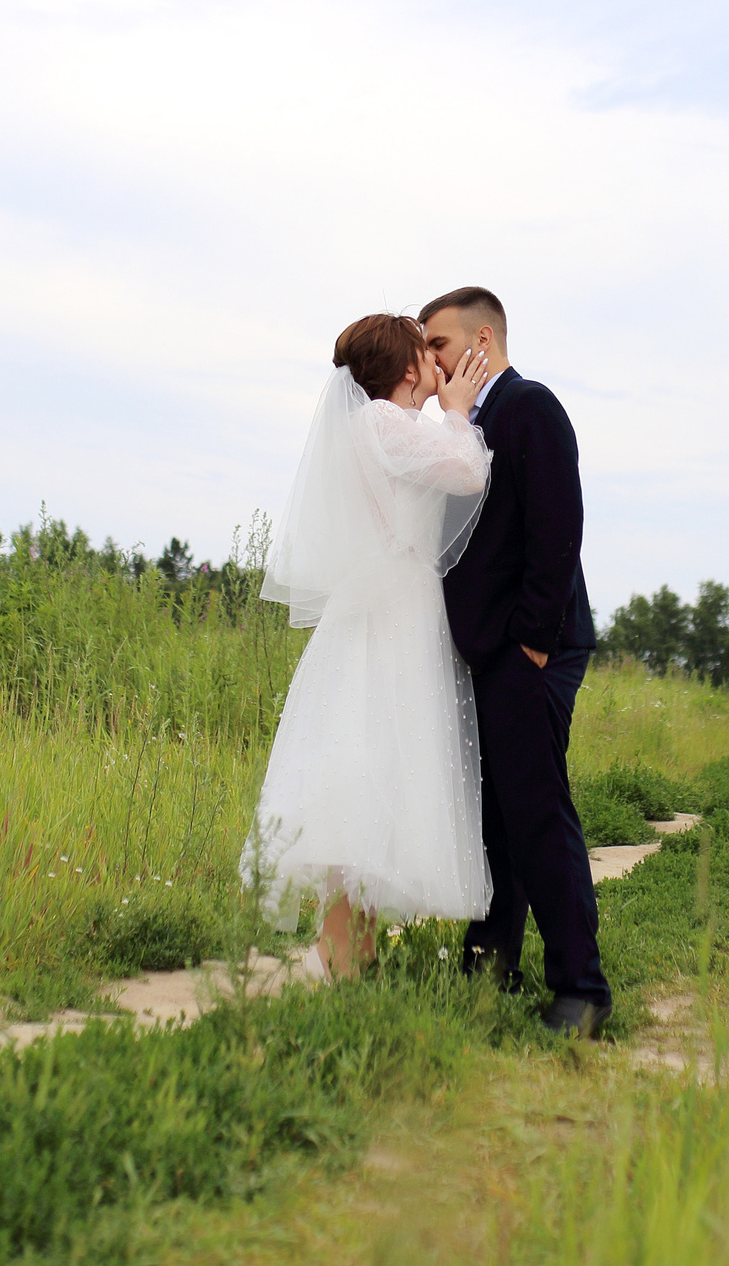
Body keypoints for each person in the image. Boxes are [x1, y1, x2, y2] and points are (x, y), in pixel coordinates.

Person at [244, 313, 498, 977]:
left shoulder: (375, 427)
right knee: (368, 778)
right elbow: (468, 472)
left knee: (371, 781)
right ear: (409, 368)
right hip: (393, 613)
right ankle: (337, 957)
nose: (438, 365)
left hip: (384, 607)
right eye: (427, 352)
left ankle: (348, 954)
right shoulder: (386, 422)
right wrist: (460, 412)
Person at [419, 286, 609, 1037]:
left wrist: (532, 639)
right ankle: (490, 956)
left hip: (533, 646)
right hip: (492, 646)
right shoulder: (471, 421)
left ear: (483, 340)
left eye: (437, 342)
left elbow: (559, 523)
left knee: (535, 810)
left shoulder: (529, 406)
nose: (428, 359)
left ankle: (582, 990)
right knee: (493, 810)